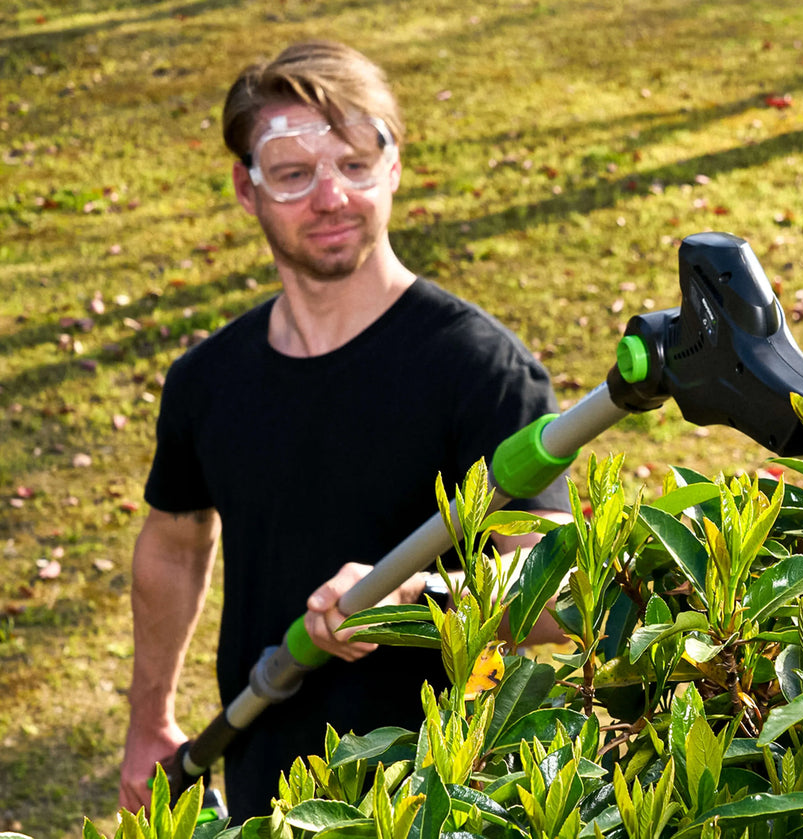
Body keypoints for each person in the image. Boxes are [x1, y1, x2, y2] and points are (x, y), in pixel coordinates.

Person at [117, 41, 569, 820]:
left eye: (356, 163)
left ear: (393, 167)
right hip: (268, 781)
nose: (332, 196)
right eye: (294, 173)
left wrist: (419, 596)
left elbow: (560, 591)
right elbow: (175, 540)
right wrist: (148, 716)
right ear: (245, 187)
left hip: (445, 796)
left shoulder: (482, 371)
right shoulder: (208, 381)